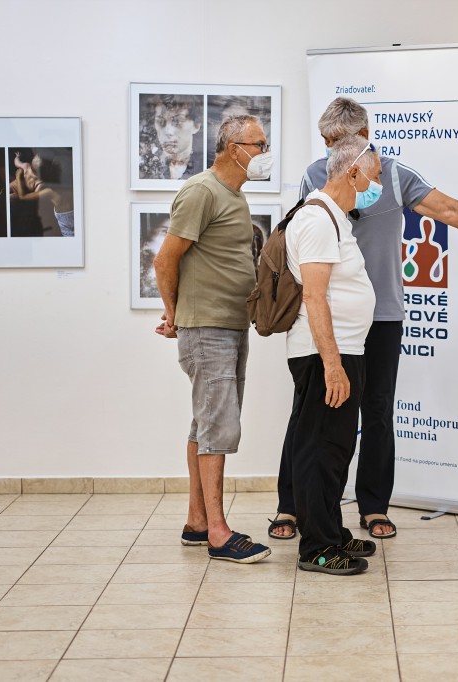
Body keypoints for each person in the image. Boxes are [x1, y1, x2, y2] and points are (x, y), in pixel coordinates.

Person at [268, 97, 458, 541]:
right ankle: (291, 505)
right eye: (328, 142)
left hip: (381, 317)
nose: (333, 150)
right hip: (328, 315)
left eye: (341, 141)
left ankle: (373, 505)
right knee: (309, 409)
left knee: (378, 409)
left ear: (364, 137)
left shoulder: (393, 175)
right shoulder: (313, 176)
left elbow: (449, 211)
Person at [153, 113, 274, 564]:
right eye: (259, 145)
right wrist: (175, 314)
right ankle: (219, 534)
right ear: (234, 148)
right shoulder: (201, 191)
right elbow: (165, 260)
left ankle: (197, 521)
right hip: (208, 328)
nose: (265, 153)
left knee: (204, 423)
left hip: (228, 324)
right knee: (218, 426)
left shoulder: (233, 195)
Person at [279, 134, 378, 575]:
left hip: (342, 349)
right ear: (353, 172)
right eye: (375, 176)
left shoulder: (334, 216)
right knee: (320, 449)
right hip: (324, 354)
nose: (377, 185)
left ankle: (332, 533)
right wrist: (333, 365)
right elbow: (314, 297)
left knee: (335, 448)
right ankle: (317, 547)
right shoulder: (318, 219)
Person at [140, 94, 204, 180]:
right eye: (160, 121)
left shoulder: (205, 168)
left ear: (196, 125)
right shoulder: (147, 166)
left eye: (178, 121)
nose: (168, 132)